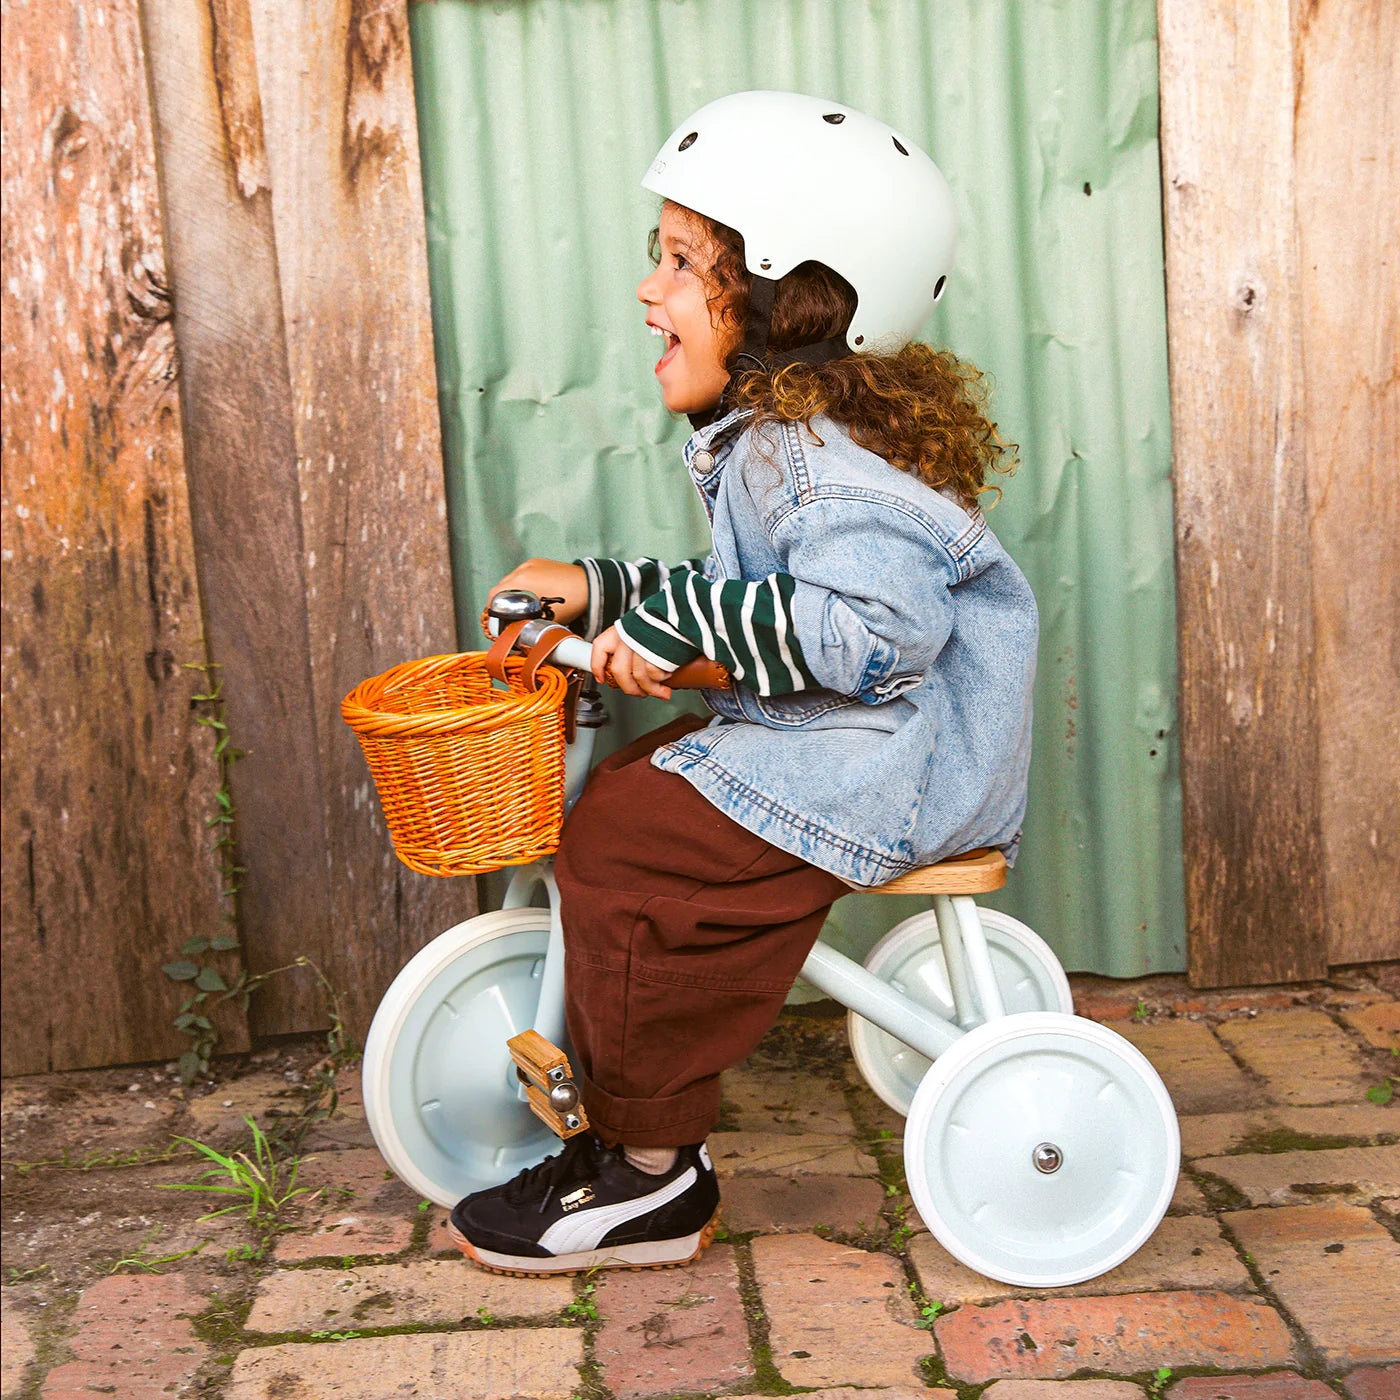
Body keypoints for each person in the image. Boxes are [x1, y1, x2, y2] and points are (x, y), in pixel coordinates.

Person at [449, 90, 1038, 1276]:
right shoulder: (777, 438)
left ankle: (650, 1171)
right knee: (635, 786)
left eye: (678, 262)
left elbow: (875, 630)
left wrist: (678, 633)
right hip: (859, 753)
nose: (644, 289)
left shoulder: (821, 465)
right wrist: (606, 589)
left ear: (780, 298)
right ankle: (631, 1111)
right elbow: (763, 591)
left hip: (898, 769)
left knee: (629, 832)